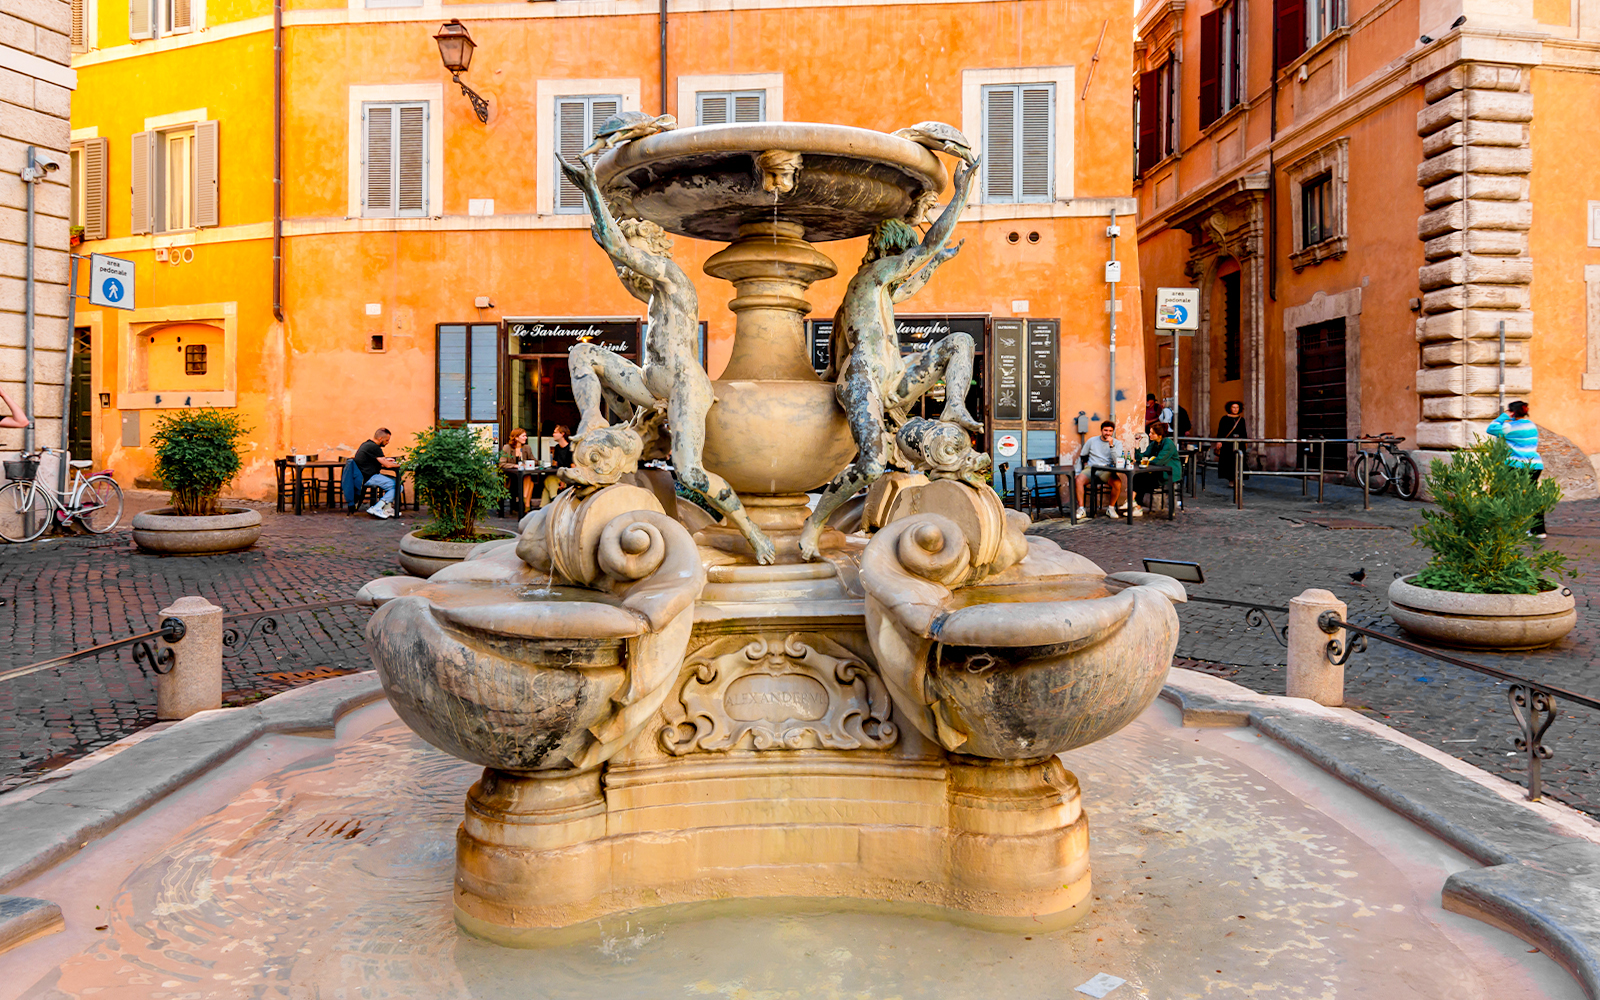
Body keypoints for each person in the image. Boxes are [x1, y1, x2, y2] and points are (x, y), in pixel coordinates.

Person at [1487, 400, 1547, 538]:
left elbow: (1491, 429)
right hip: (1535, 465)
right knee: (1533, 495)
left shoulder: (1510, 427)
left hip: (1515, 464)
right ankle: (1539, 530)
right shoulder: (1531, 425)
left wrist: (1503, 416)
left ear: (1513, 412)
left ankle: (1500, 527)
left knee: (1502, 493)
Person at [1073, 420, 1127, 519]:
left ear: (1113, 432)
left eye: (1110, 431)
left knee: (1117, 483)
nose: (1108, 433)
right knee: (1078, 480)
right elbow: (1082, 457)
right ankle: (1081, 509)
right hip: (1091, 468)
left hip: (1106, 469)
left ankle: (1110, 508)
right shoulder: (1092, 441)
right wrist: (1077, 472)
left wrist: (1111, 446)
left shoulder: (1117, 443)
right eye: (1105, 430)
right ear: (1101, 430)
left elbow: (1118, 460)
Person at [1132, 421, 1182, 516]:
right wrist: (1137, 446)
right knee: (1138, 477)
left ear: (1159, 435)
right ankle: (1134, 504)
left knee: (1141, 480)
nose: (1149, 435)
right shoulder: (1154, 443)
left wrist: (1146, 461)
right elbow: (1142, 457)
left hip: (1168, 474)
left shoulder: (1168, 444)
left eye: (1152, 433)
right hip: (1157, 472)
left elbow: (1159, 460)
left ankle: (1134, 504)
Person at [354, 427, 398, 519]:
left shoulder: (367, 444)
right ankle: (377, 507)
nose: (388, 442)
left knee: (396, 482)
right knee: (398, 486)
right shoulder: (374, 447)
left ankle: (387, 508)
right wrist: (403, 464)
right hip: (369, 477)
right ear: (380, 439)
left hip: (363, 476)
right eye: (387, 440)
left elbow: (378, 460)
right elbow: (388, 466)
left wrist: (386, 460)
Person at [502, 427, 536, 509]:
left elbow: (534, 460)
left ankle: (525, 501)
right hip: (511, 476)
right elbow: (502, 463)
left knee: (529, 479)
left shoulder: (526, 448)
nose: (526, 438)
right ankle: (525, 503)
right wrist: (514, 465)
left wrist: (529, 463)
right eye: (523, 436)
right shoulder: (507, 448)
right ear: (516, 438)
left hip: (523, 475)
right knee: (529, 481)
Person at [1214, 401, 1246, 485]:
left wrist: (1245, 441)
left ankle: (1239, 478)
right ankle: (1231, 480)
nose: (1235, 409)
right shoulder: (1224, 419)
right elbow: (1221, 431)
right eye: (1233, 407)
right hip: (1227, 444)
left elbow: (1244, 432)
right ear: (1230, 408)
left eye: (1237, 407)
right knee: (1229, 462)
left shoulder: (1241, 419)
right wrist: (1219, 441)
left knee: (1239, 461)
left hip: (1239, 443)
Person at [541, 424, 573, 505]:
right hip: (558, 475)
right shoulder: (557, 448)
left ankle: (554, 501)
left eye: (555, 432)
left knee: (549, 481)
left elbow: (573, 468)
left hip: (567, 477)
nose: (553, 434)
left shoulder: (571, 448)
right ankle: (546, 506)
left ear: (562, 434)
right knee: (549, 480)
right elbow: (555, 464)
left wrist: (564, 480)